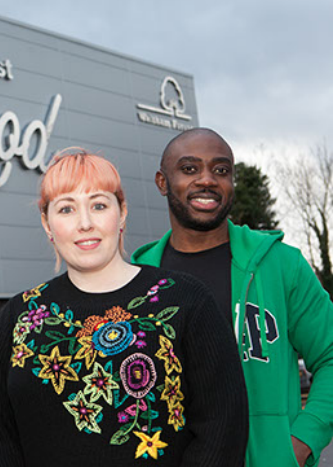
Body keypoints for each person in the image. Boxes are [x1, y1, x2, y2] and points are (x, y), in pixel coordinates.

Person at [0, 148, 248, 466]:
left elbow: (223, 426)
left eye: (99, 205)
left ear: (121, 213)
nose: (85, 223)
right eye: (66, 209)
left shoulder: (184, 300)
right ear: (47, 223)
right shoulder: (22, 314)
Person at [132, 127, 333, 467]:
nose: (207, 180)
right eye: (189, 168)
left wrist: (299, 445)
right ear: (162, 182)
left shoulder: (280, 265)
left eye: (221, 169)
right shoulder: (139, 278)